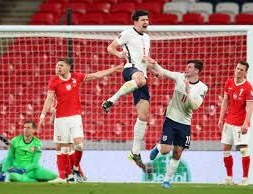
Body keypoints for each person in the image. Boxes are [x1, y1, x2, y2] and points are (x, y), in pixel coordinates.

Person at [38, 58, 123, 183]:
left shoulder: (76, 77)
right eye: (57, 66)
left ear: (68, 67)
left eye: (61, 65)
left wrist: (114, 69)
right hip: (60, 118)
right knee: (64, 148)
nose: (58, 68)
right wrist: (42, 116)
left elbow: (97, 75)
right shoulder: (54, 81)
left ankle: (76, 168)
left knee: (79, 144)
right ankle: (67, 177)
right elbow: (49, 99)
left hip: (75, 117)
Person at [101, 10, 161, 171]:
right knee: (140, 79)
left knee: (144, 115)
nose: (146, 22)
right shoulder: (128, 33)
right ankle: (111, 100)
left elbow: (143, 60)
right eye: (143, 20)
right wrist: (118, 53)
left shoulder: (147, 38)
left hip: (142, 75)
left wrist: (153, 70)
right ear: (135, 22)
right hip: (130, 70)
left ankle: (135, 152)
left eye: (148, 19)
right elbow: (110, 48)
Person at [148, 59, 208, 188]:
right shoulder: (179, 77)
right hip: (171, 119)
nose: (186, 69)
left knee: (177, 153)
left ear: (197, 70)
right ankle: (158, 148)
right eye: (186, 66)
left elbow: (195, 106)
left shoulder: (202, 88)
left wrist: (187, 91)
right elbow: (163, 71)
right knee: (165, 150)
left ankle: (166, 181)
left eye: (190, 67)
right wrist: (154, 62)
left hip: (185, 124)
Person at [218, 61, 253, 186]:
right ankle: (229, 178)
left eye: (241, 70)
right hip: (229, 122)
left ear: (245, 72)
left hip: (240, 124)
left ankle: (245, 179)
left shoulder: (248, 87)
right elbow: (225, 101)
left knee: (243, 150)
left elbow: (250, 107)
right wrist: (221, 118)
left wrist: (245, 123)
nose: (238, 71)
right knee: (225, 149)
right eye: (237, 68)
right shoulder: (229, 82)